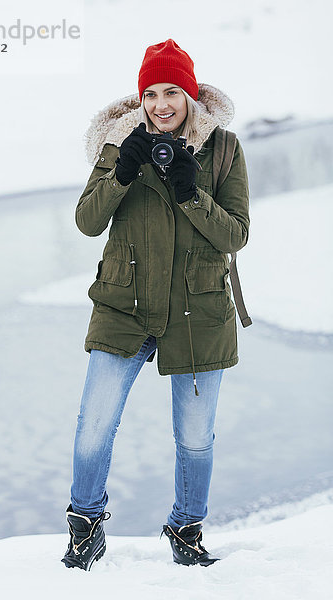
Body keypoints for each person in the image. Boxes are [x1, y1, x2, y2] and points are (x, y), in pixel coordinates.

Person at [61, 38, 250, 571]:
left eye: (172, 91)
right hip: (125, 304)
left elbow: (235, 235)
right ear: (139, 98)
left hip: (199, 309)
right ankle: (85, 524)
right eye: (150, 93)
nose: (161, 103)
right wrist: (121, 175)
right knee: (94, 424)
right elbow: (87, 221)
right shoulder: (121, 145)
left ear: (191, 94)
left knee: (195, 437)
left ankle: (186, 528)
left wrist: (192, 192)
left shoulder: (225, 149)